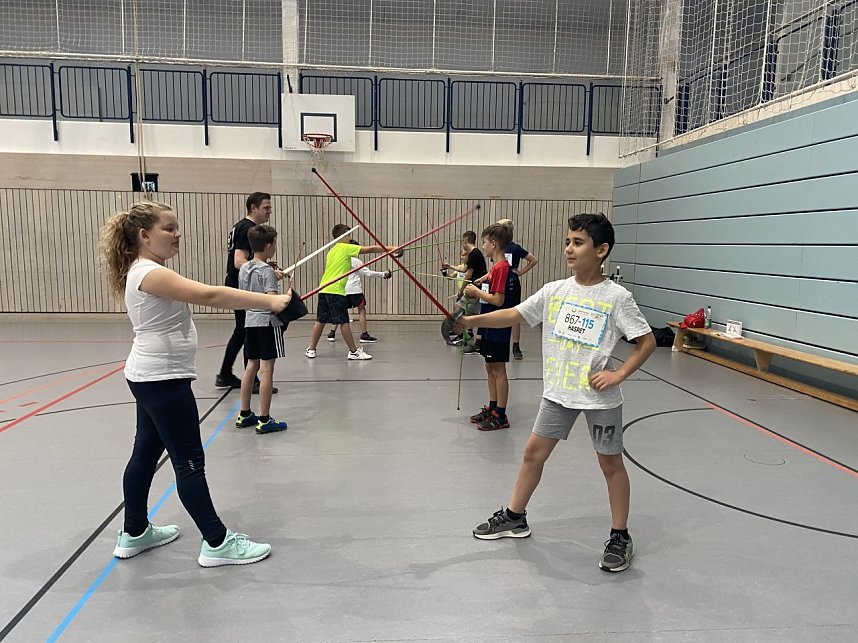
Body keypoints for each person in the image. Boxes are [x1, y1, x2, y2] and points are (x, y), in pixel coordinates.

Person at [454, 213, 656, 573]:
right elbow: (513, 313)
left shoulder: (616, 297)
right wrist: (470, 321)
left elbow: (646, 341)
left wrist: (619, 375)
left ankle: (620, 535)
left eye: (578, 243)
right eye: (567, 241)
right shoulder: (554, 291)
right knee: (533, 453)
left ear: (602, 249)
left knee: (610, 464)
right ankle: (516, 516)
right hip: (558, 394)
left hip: (599, 397)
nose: (569, 249)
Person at [100, 201, 291, 566]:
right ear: (144, 235)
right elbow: (210, 294)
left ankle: (135, 531)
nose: (177, 234)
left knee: (144, 454)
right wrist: (270, 301)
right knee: (189, 462)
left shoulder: (145, 270)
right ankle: (216, 542)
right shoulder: (149, 273)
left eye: (176, 227)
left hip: (151, 377)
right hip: (163, 380)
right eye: (168, 228)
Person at [216, 192, 280, 394]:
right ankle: (249, 378)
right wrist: (264, 269)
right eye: (266, 208)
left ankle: (226, 373)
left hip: (239, 283)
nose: (269, 211)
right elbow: (239, 261)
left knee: (242, 330)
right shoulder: (247, 228)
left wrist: (263, 265)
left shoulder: (242, 227)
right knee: (248, 329)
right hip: (240, 285)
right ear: (253, 207)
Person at [305, 224, 399, 360]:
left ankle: (311, 349)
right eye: (349, 235)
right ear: (344, 236)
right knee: (343, 322)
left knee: (321, 320)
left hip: (324, 289)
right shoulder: (346, 247)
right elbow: (370, 249)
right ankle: (354, 352)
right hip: (336, 291)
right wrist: (391, 248)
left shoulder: (332, 251)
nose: (350, 238)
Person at [236, 224, 290, 434]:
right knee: (267, 370)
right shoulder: (266, 270)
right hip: (267, 323)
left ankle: (245, 413)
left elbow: (250, 292)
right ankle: (265, 419)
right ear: (268, 246)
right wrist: (286, 295)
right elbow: (271, 301)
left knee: (251, 367)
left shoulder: (245, 268)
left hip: (250, 321)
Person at [462, 223, 515, 431]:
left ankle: (501, 414)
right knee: (489, 366)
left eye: (484, 242)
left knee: (499, 369)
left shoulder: (501, 267)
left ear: (493, 244)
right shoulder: (496, 267)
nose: (482, 246)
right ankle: (492, 408)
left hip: (499, 325)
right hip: (489, 324)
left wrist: (477, 293)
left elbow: (498, 300)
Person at [326, 240, 393, 344]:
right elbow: (368, 273)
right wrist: (384, 274)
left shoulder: (339, 259)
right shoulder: (356, 261)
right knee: (361, 311)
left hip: (342, 289)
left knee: (340, 311)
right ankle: (364, 335)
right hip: (354, 289)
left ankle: (332, 333)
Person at [496, 218, 539, 360]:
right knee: (504, 312)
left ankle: (515, 346)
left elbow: (533, 259)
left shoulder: (514, 248)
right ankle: (509, 345)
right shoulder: (499, 248)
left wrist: (520, 272)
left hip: (511, 282)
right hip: (502, 280)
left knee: (514, 313)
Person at [441, 231, 488, 348]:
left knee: (458, 307)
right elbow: (464, 269)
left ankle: (464, 334)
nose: (462, 244)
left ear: (465, 241)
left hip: (475, 288)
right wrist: (450, 266)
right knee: (470, 311)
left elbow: (468, 274)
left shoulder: (475, 253)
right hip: (478, 287)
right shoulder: (473, 254)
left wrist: (461, 291)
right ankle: (469, 334)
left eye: (462, 241)